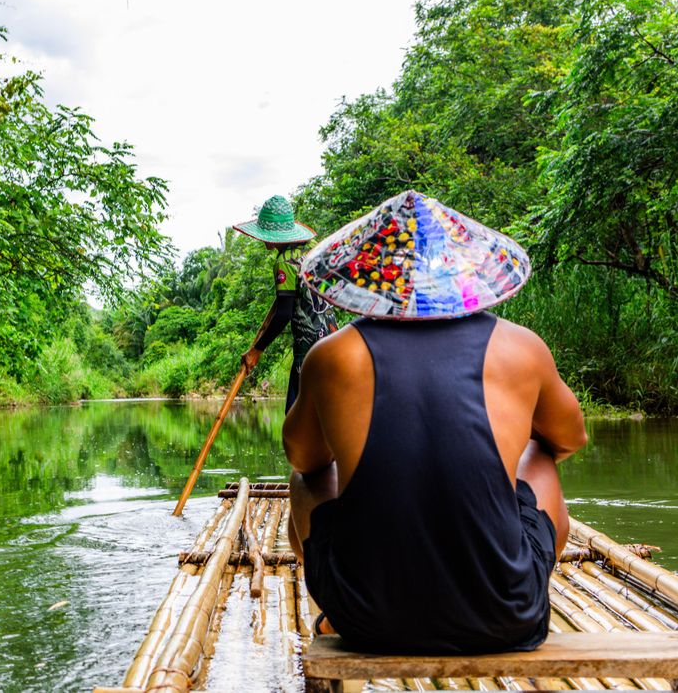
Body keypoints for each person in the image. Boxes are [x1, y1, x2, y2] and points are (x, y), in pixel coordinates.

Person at [283, 190, 587, 655]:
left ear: (374, 276)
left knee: (308, 478)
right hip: (507, 615)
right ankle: (523, 579)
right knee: (540, 450)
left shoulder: (331, 355)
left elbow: (304, 457)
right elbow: (570, 439)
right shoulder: (523, 347)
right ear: (463, 272)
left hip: (365, 618)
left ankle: (337, 600)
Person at [233, 195, 338, 411]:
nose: (262, 240)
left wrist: (257, 350)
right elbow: (288, 301)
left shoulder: (284, 261)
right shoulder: (313, 250)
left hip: (308, 350)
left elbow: (284, 314)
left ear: (274, 236)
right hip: (334, 340)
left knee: (294, 419)